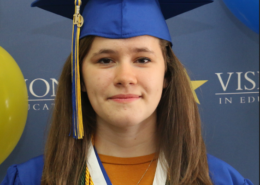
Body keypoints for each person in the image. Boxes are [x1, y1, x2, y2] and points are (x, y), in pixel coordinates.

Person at [1, 0, 254, 185]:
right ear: (81, 78)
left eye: (142, 59)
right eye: (105, 60)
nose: (125, 77)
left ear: (166, 74)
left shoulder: (220, 180)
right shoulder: (29, 180)